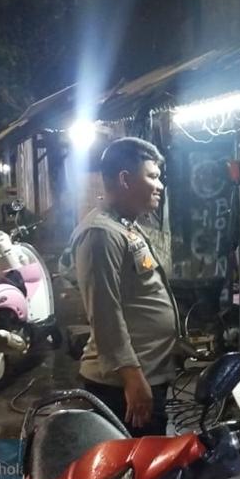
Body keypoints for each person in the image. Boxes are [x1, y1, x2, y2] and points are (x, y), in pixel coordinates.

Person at [71, 137, 181, 435]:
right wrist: (132, 378)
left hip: (147, 375)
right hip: (122, 387)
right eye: (153, 177)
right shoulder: (101, 234)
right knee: (134, 462)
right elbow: (105, 313)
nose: (160, 186)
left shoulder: (125, 226)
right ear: (125, 179)